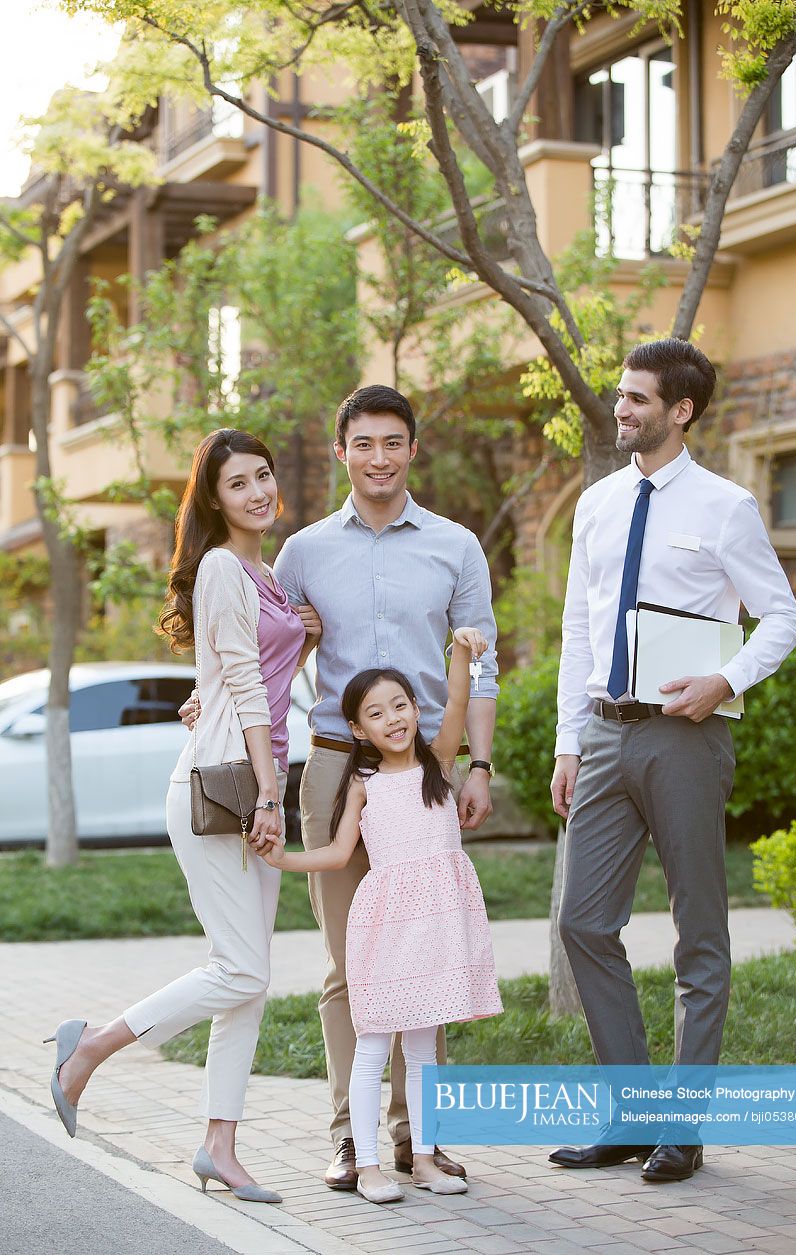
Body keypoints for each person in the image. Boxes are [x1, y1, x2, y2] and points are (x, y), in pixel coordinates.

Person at [184, 385, 499, 1188]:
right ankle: (349, 1136)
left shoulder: (457, 545)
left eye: (393, 442)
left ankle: (413, 1140)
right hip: (330, 760)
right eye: (364, 443)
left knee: (422, 955)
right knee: (348, 960)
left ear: (412, 450)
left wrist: (479, 765)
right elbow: (259, 646)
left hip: (424, 766)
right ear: (340, 452)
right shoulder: (301, 550)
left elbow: (483, 665)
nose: (379, 457)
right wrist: (205, 693)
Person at [548, 339, 796, 1184]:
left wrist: (723, 677)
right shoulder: (596, 504)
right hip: (605, 731)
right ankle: (629, 1115)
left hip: (687, 737)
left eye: (635, 398)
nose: (619, 408)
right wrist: (566, 739)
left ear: (679, 410)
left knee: (698, 932)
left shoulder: (726, 507)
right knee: (583, 921)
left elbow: (782, 618)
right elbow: (578, 628)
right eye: (619, 396)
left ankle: (682, 1127)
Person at [45, 429, 319, 1203]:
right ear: (213, 499)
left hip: (240, 767)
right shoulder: (222, 568)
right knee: (241, 965)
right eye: (239, 484)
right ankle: (91, 1049)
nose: (259, 491)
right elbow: (240, 681)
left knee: (247, 981)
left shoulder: (262, 569)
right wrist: (270, 793)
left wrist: (300, 641)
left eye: (263, 475)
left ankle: (218, 1147)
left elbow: (253, 673)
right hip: (219, 782)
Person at [257, 627, 502, 1203]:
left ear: (417, 710)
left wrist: (461, 652)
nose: (393, 719)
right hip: (386, 928)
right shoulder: (362, 785)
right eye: (376, 713)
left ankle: (422, 1160)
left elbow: (461, 700)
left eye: (401, 705)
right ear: (358, 729)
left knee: (422, 1049)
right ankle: (366, 1164)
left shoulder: (440, 765)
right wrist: (282, 858)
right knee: (372, 1047)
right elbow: (338, 854)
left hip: (438, 925)